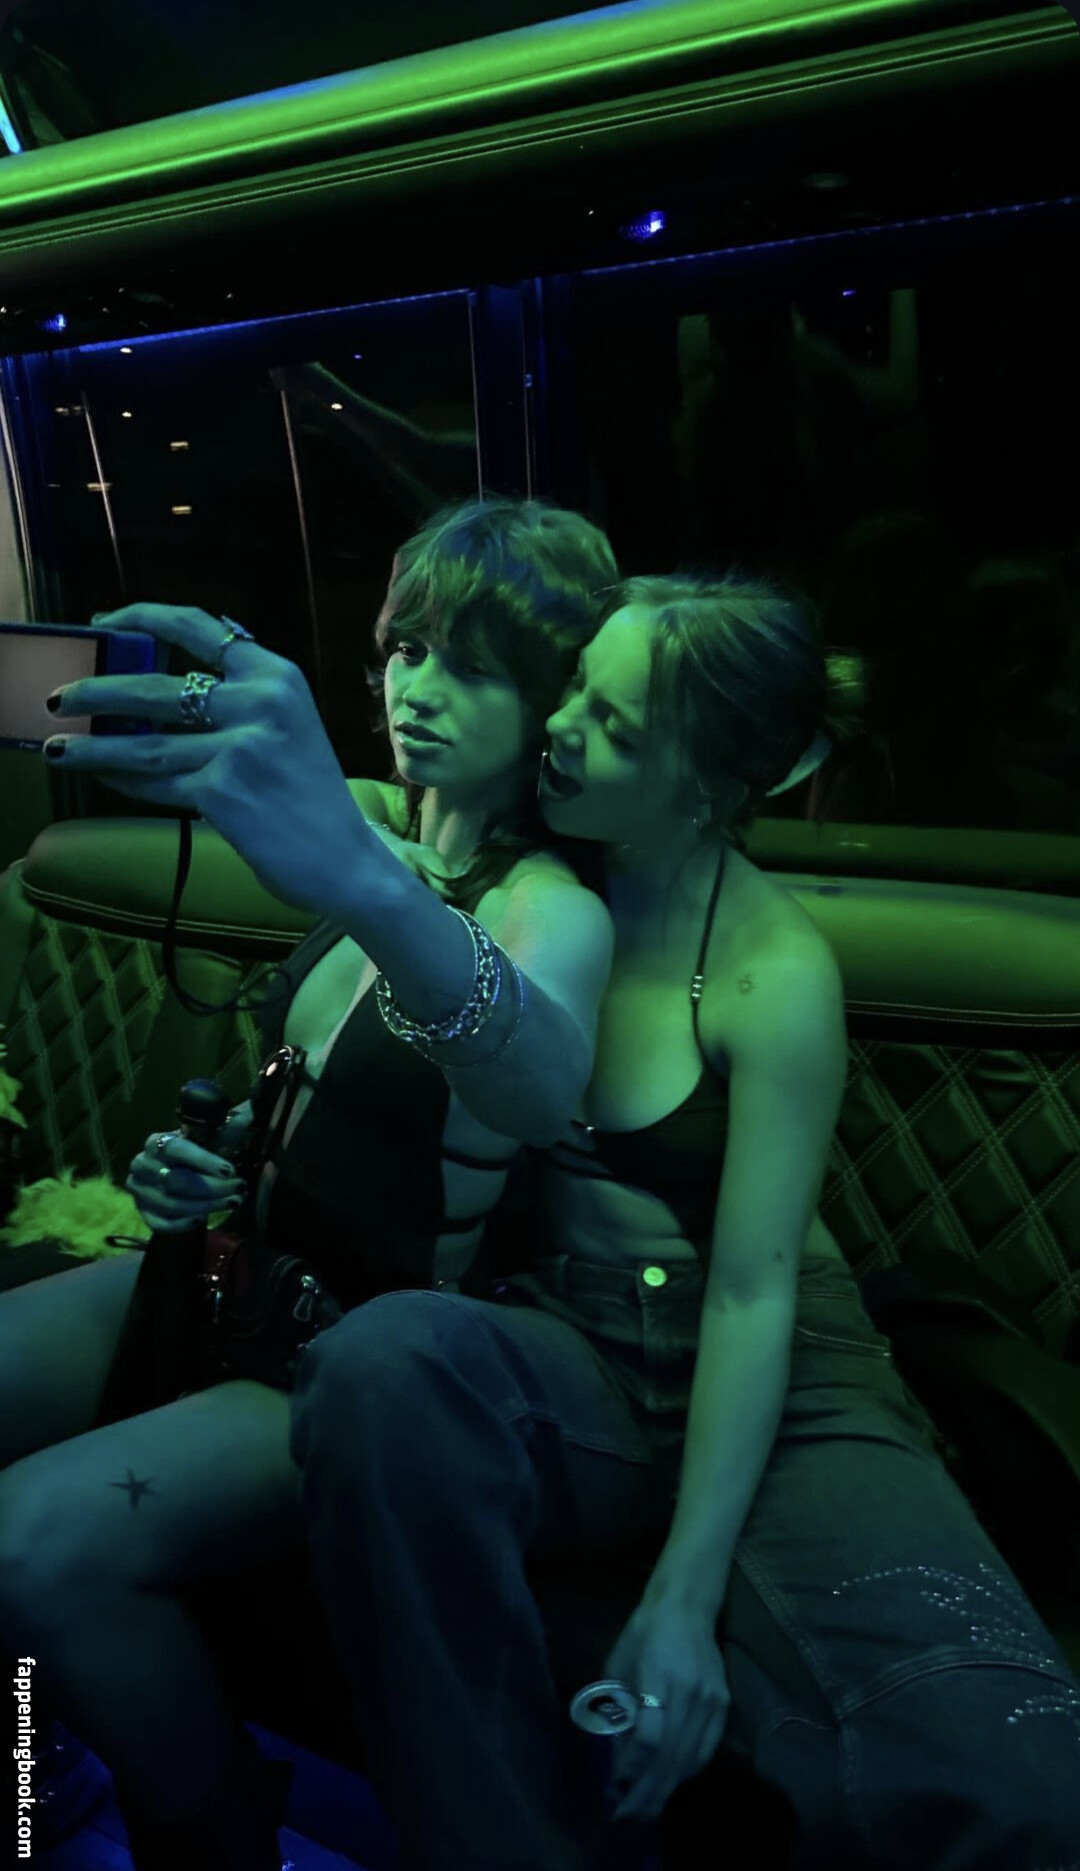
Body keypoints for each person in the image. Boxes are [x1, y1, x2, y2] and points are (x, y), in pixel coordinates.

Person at [289, 567, 1080, 1870]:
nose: (561, 730)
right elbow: (385, 823)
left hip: (782, 1361)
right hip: (577, 1341)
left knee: (1012, 1768)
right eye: (574, 693)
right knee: (383, 1364)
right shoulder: (528, 883)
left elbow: (756, 1293)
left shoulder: (772, 972)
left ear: (714, 785)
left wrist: (681, 1599)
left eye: (612, 726)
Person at [0, 494, 621, 1871]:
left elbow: (531, 1083)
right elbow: (325, 1105)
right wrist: (205, 1162)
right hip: (236, 1269)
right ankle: (38, 1785)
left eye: (477, 668)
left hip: (353, 1348)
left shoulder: (551, 911)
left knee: (32, 1544)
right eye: (407, 650)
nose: (420, 691)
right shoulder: (389, 840)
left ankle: (218, 1840)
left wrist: (365, 879)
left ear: (552, 700)